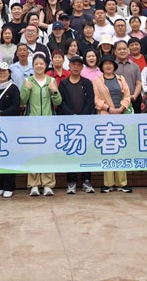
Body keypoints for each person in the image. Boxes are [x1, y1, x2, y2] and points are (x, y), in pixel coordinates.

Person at [20, 53, 62, 196]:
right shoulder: (28, 80)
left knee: (47, 154)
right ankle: (34, 184)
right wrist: (26, 89)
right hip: (32, 122)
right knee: (33, 153)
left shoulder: (51, 80)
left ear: (45, 65)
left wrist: (54, 91)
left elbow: (58, 102)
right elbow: (22, 101)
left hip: (48, 123)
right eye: (36, 64)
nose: (39, 66)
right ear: (33, 66)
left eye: (41, 64)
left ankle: (48, 184)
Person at [92, 55, 132, 193]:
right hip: (105, 117)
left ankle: (122, 183)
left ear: (114, 66)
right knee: (108, 150)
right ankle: (108, 183)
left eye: (110, 64)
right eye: (105, 64)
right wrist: (108, 108)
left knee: (121, 149)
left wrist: (122, 108)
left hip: (121, 117)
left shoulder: (121, 79)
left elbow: (127, 95)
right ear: (102, 67)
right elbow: (95, 99)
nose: (108, 66)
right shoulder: (97, 81)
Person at [58, 55, 96, 194]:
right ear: (69, 66)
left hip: (85, 123)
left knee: (87, 152)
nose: (76, 67)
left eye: (78, 65)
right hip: (69, 124)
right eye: (73, 64)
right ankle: (71, 182)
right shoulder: (63, 84)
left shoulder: (87, 83)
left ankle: (86, 181)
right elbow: (61, 103)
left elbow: (91, 101)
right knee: (71, 152)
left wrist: (83, 117)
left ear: (82, 67)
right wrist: (71, 116)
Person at [0, 62, 21, 198]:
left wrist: (1, 114)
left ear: (9, 73)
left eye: (5, 71)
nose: (2, 74)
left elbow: (16, 107)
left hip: (9, 126)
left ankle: (9, 186)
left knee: (9, 156)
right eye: (0, 71)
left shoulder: (13, 88)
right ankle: (1, 185)